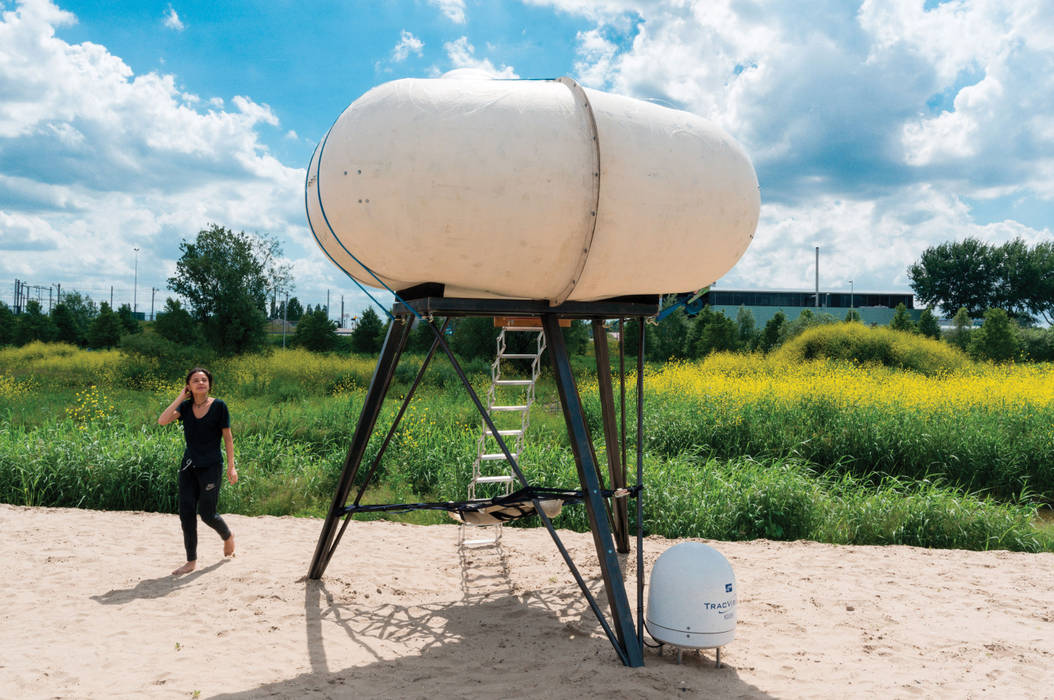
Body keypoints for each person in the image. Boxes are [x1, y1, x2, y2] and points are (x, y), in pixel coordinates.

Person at [158, 367, 238, 575]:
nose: (201, 383)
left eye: (204, 380)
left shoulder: (219, 406)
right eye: (195, 380)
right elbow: (162, 420)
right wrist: (179, 397)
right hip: (188, 466)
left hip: (211, 466)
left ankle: (228, 536)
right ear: (189, 386)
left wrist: (231, 466)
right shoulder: (184, 408)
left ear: (209, 384)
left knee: (207, 514)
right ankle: (191, 561)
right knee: (186, 513)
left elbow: (227, 438)